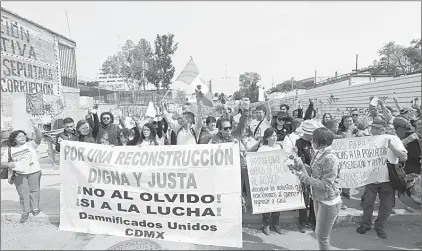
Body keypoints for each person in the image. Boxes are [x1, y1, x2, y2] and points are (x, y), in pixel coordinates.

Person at [289, 127, 342, 250]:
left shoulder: (330, 158)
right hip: (318, 198)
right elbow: (313, 172)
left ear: (321, 143)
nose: (311, 142)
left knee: (321, 238)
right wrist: (301, 166)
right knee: (322, 235)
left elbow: (325, 185)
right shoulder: (319, 153)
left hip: (328, 202)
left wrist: (302, 176)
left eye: (314, 140)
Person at [356, 119, 408, 239]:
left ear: (384, 129)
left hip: (388, 179)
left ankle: (380, 225)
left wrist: (391, 146)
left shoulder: (394, 139)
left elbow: (404, 157)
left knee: (387, 205)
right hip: (371, 177)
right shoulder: (367, 140)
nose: (375, 130)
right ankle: (366, 224)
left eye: (378, 128)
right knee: (367, 202)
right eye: (373, 127)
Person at [1, 122, 43, 223]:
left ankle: (35, 208)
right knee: (23, 193)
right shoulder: (9, 150)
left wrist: (35, 127)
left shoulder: (30, 144)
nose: (22, 137)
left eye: (23, 135)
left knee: (34, 191)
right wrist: (7, 165)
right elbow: (2, 163)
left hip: (34, 172)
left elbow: (39, 138)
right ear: (14, 139)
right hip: (19, 174)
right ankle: (25, 211)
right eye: (19, 136)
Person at [295, 120, 320, 233]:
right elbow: (300, 161)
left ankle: (313, 220)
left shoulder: (315, 143)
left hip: (316, 175)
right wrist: (306, 174)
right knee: (305, 198)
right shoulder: (298, 143)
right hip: (305, 174)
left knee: (314, 198)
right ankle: (302, 221)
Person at [258, 128, 283, 235]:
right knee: (267, 202)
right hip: (266, 180)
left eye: (275, 135)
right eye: (272, 136)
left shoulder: (280, 147)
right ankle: (266, 224)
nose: (274, 137)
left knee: (278, 201)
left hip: (278, 179)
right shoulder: (262, 149)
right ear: (267, 138)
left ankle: (276, 222)